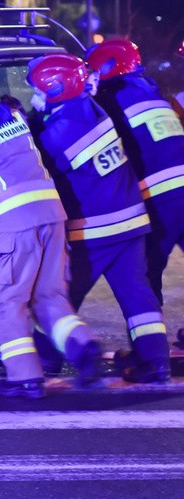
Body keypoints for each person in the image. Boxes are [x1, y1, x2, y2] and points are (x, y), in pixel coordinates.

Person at [0, 65, 100, 399]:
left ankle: (25, 377)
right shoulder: (15, 118)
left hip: (13, 228)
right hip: (53, 217)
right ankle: (83, 345)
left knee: (4, 300)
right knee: (50, 296)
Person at [26, 52, 171, 383]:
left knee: (61, 294)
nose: (35, 96)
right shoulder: (95, 111)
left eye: (38, 89)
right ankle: (156, 360)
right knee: (137, 293)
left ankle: (44, 358)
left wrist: (25, 125)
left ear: (56, 89)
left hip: (94, 230)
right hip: (132, 221)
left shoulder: (59, 133)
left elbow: (41, 161)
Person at [87, 38, 184, 350]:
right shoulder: (149, 90)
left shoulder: (112, 98)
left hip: (162, 196)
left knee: (147, 269)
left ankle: (149, 350)